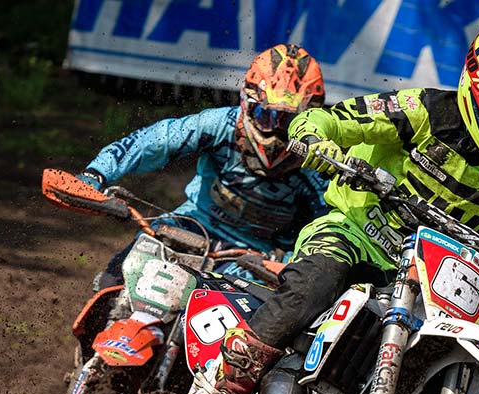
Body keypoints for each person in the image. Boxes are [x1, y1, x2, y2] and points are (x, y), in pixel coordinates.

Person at [162, 8, 479, 394]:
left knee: (440, 352)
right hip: (355, 235)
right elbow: (333, 121)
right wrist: (313, 138)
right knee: (314, 283)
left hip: (427, 281)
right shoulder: (426, 110)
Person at [75, 44, 331, 288]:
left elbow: (329, 230)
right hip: (190, 226)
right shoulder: (219, 125)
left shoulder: (320, 166)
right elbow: (154, 140)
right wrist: (95, 174)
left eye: (291, 123)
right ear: (246, 102)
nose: (276, 132)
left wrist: (297, 262)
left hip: (259, 259)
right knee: (112, 283)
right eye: (267, 116)